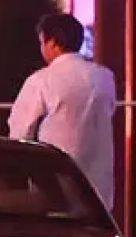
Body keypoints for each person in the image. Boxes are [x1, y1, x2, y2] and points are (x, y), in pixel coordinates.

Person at [7, 13, 116, 211]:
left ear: (53, 43)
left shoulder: (42, 80)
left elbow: (20, 129)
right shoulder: (105, 78)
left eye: (42, 42)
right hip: (99, 184)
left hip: (56, 179)